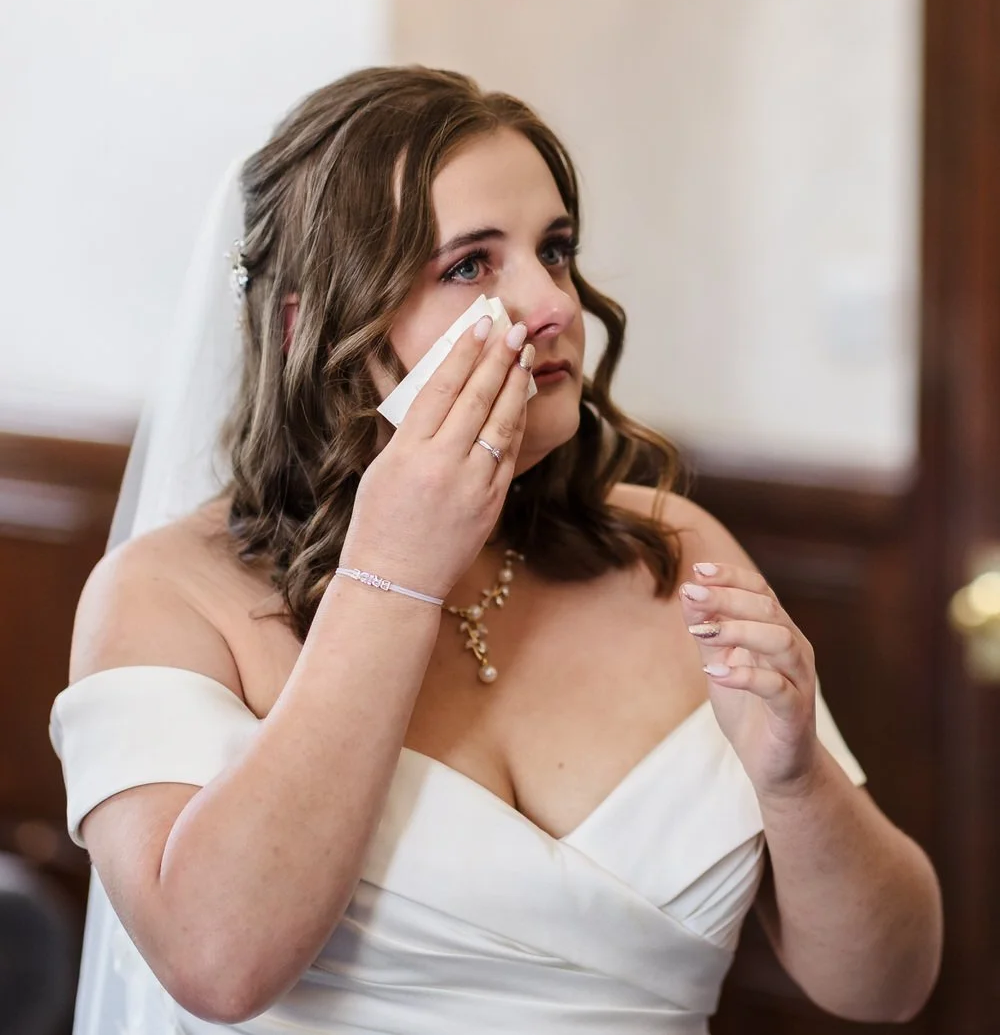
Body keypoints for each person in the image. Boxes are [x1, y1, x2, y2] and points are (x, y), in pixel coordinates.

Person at [50, 66, 942, 1035]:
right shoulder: (169, 595)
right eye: (471, 265)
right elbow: (216, 966)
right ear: (312, 324)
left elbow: (889, 983)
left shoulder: (669, 549)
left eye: (553, 250)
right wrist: (393, 568)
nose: (551, 302)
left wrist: (796, 780)